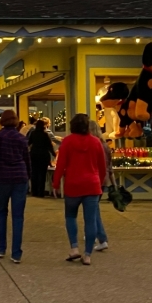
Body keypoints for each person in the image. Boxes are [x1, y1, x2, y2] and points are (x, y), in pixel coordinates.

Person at [53, 113, 108, 266]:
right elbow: (102, 166)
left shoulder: (67, 142)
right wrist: (100, 181)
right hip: (92, 185)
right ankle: (88, 254)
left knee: (70, 217)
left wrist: (56, 184)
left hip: (73, 185)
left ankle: (74, 248)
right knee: (90, 220)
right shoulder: (96, 142)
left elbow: (61, 165)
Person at [0, 109, 31, 263]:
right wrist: (29, 177)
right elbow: (27, 159)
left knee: (2, 212)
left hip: (3, 177)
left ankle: (1, 248)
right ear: (16, 121)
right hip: (19, 177)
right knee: (18, 216)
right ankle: (16, 253)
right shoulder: (21, 138)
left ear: (2, 121)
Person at [87, 120, 114, 252]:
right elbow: (110, 166)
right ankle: (94, 233)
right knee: (94, 207)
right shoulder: (105, 145)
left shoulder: (93, 145)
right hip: (104, 179)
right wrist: (113, 182)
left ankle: (101, 237)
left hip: (95, 179)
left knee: (93, 209)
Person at [27, 120, 56, 197]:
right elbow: (49, 146)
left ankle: (34, 191)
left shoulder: (33, 133)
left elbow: (28, 143)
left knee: (34, 174)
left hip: (34, 155)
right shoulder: (45, 134)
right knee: (42, 174)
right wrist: (54, 154)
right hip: (43, 156)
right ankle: (40, 192)